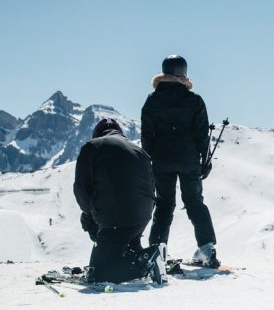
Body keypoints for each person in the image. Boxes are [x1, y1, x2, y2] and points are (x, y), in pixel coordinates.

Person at [142, 54, 219, 267]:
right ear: (183, 74)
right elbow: (202, 133)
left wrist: (147, 162)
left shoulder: (152, 100)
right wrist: (205, 159)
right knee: (194, 202)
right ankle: (207, 250)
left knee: (164, 205)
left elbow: (147, 134)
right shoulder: (194, 100)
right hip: (188, 158)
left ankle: (156, 253)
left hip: (161, 159)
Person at [73, 118, 165, 283]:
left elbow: (81, 189)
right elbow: (151, 186)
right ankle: (141, 256)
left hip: (115, 218)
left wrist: (89, 216)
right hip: (142, 216)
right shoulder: (140, 151)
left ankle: (146, 262)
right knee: (128, 242)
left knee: (97, 274)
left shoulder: (92, 147)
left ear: (97, 134)